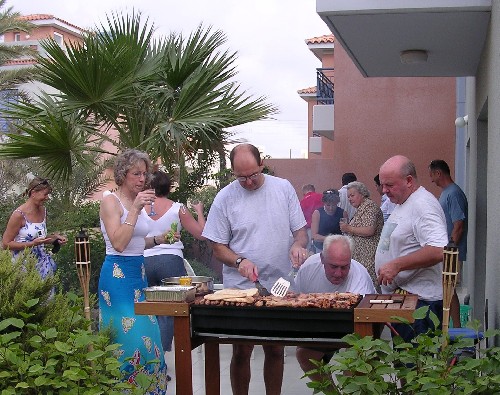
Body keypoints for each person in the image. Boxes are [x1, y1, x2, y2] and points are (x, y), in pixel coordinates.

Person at [202, 143, 308, 395]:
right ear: (232, 173)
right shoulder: (225, 198)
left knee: (275, 348)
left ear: (262, 164)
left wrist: (298, 246)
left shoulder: (282, 188)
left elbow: (300, 233)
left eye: (253, 175)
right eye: (241, 177)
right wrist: (239, 261)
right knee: (241, 348)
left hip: (280, 282)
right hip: (241, 287)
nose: (248, 182)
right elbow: (217, 246)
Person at [98, 149, 169, 394]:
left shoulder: (135, 200)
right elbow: (118, 242)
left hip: (138, 274)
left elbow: (136, 242)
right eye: (135, 174)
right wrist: (136, 210)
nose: (141, 179)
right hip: (117, 278)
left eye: (144, 173)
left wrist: (158, 239)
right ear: (122, 174)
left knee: (151, 337)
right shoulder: (111, 201)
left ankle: (150, 390)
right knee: (129, 340)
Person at [375, 155, 448, 343]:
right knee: (403, 366)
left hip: (421, 305)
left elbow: (439, 249)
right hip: (406, 299)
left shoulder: (423, 205)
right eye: (383, 185)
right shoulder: (404, 202)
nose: (384, 191)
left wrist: (397, 265)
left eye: (389, 185)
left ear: (409, 181)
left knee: (414, 369)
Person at [294, 234, 376, 389]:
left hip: (356, 327)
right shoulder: (308, 269)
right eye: (333, 266)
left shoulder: (360, 278)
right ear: (322, 259)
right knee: (304, 354)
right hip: (323, 326)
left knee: (353, 362)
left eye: (344, 267)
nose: (338, 274)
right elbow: (297, 301)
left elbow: (367, 323)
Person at [144, 170, 206, 355]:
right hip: (171, 261)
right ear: (168, 187)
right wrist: (199, 212)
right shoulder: (179, 208)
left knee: (147, 310)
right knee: (170, 311)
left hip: (144, 260)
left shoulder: (138, 208)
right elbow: (201, 234)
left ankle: (148, 357)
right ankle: (161, 356)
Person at [2, 177, 67, 279]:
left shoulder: (43, 211)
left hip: (42, 266)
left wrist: (55, 238)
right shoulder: (18, 215)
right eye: (45, 194)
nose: (47, 198)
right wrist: (31, 244)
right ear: (33, 193)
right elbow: (6, 244)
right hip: (22, 268)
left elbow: (40, 237)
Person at [429, 159, 468, 328]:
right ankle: (449, 327)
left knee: (449, 289)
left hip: (451, 251)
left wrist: (450, 249)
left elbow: (458, 224)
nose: (431, 180)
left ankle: (457, 328)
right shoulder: (446, 192)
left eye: (432, 175)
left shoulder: (454, 193)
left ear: (438, 173)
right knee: (447, 290)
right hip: (444, 251)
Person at [340, 181, 384, 291]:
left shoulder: (369, 207)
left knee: (370, 288)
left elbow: (369, 230)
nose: (350, 199)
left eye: (352, 195)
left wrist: (348, 228)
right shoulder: (361, 208)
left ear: (362, 193)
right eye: (348, 197)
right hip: (362, 258)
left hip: (369, 257)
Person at [299, 184, 323, 249]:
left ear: (304, 192)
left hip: (310, 231)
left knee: (311, 252)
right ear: (314, 190)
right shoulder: (322, 197)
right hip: (324, 229)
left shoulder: (302, 202)